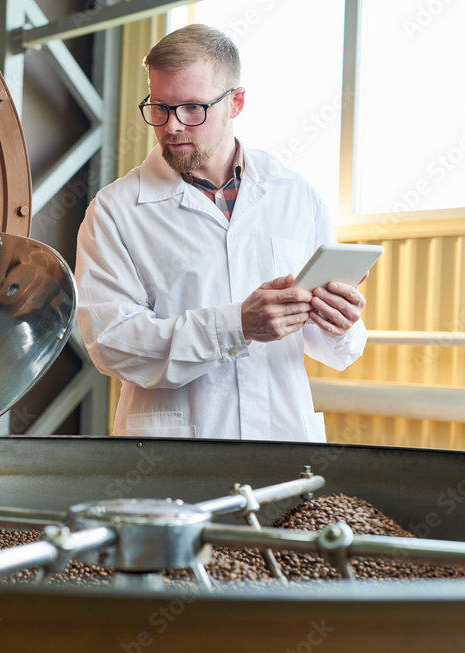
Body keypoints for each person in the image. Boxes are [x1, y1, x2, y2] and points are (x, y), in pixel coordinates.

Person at [74, 24, 367, 442]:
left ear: (236, 101)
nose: (172, 126)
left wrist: (341, 323)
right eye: (160, 107)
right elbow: (112, 344)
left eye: (193, 108)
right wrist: (235, 326)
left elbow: (337, 351)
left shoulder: (296, 196)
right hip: (173, 455)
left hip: (281, 441)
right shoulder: (115, 211)